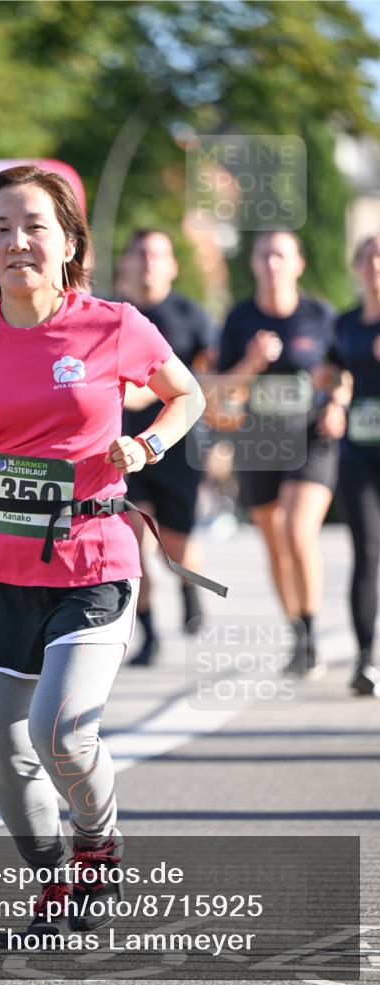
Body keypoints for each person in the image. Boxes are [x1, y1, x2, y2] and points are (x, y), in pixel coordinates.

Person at [0, 165, 219, 933]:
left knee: (60, 729)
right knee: (11, 770)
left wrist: (144, 446)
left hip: (94, 558)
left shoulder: (113, 324)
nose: (16, 242)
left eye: (34, 226)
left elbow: (188, 394)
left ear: (69, 241)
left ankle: (96, 844)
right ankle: (57, 883)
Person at [216, 231, 346, 676]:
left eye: (281, 255)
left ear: (298, 264)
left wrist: (338, 404)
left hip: (311, 438)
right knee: (274, 543)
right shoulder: (239, 319)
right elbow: (222, 389)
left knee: (296, 529)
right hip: (258, 443)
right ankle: (296, 631)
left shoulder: (319, 315)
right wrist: (252, 361)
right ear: (253, 264)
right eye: (265, 255)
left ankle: (310, 633)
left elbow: (341, 373)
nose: (273, 264)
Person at [117, 229, 217, 664]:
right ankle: (150, 631)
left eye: (158, 254)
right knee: (137, 543)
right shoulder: (114, 314)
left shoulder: (191, 317)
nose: (149, 262)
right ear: (126, 263)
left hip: (177, 447)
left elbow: (207, 382)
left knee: (176, 544)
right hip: (123, 449)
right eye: (141, 253)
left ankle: (189, 589)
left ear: (174, 265)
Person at [332, 235, 380, 696]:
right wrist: (334, 399)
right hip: (358, 453)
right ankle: (366, 658)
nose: (376, 265)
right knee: (365, 553)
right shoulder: (345, 323)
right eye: (368, 257)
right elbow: (333, 373)